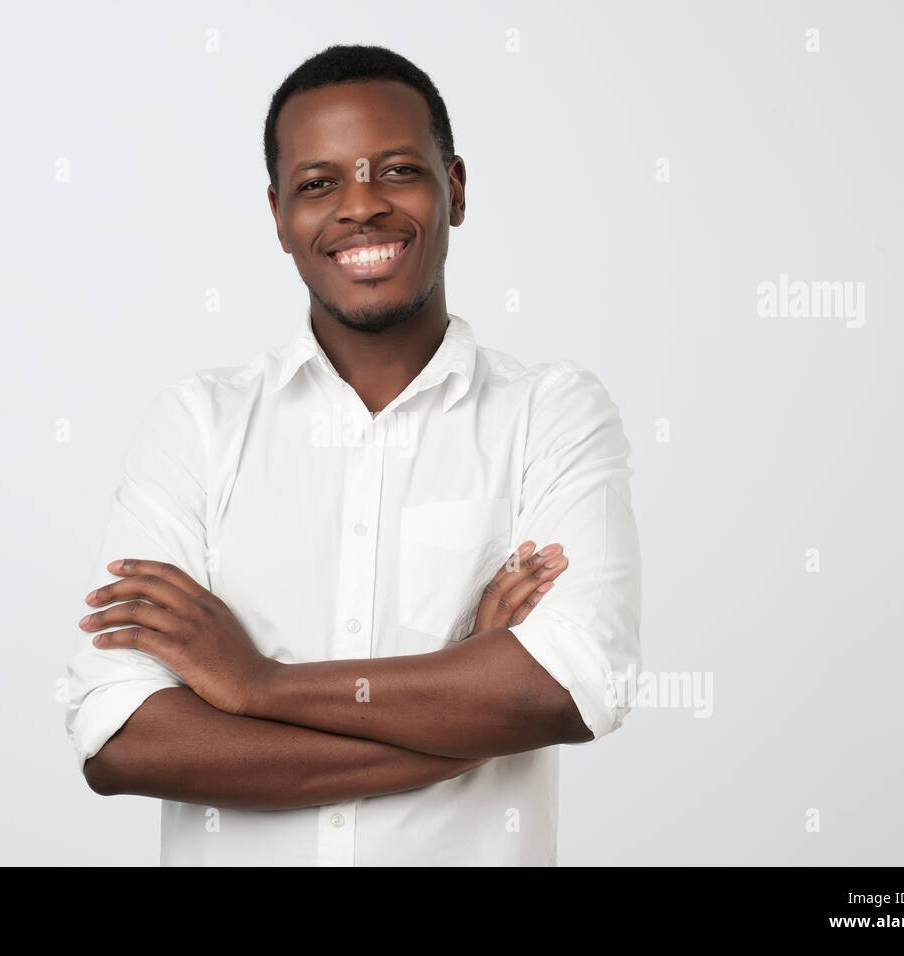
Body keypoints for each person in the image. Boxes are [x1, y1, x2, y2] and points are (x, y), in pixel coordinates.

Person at [63, 43, 642, 866]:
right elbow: (124, 741)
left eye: (397, 171)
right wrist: (462, 705)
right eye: (317, 183)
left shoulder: (549, 414)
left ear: (458, 189)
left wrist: (257, 687)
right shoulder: (196, 425)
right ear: (278, 216)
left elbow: (572, 685)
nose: (360, 207)